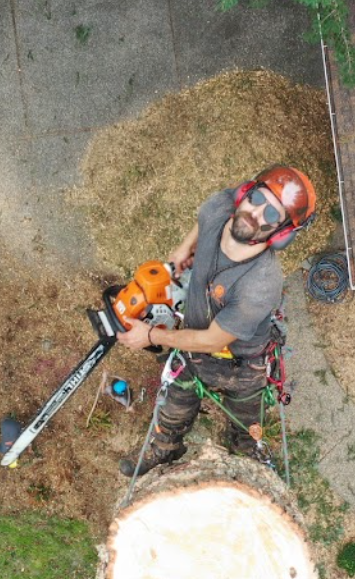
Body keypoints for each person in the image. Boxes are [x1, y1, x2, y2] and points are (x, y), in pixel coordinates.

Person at [115, 166, 317, 477]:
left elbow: (212, 340)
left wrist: (152, 335)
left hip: (242, 363)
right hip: (193, 349)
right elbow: (204, 219)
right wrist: (185, 248)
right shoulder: (219, 209)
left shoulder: (261, 283)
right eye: (256, 199)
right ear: (244, 194)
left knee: (246, 424)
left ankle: (247, 458)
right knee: (173, 408)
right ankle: (166, 446)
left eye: (272, 216)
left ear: (281, 234)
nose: (255, 214)